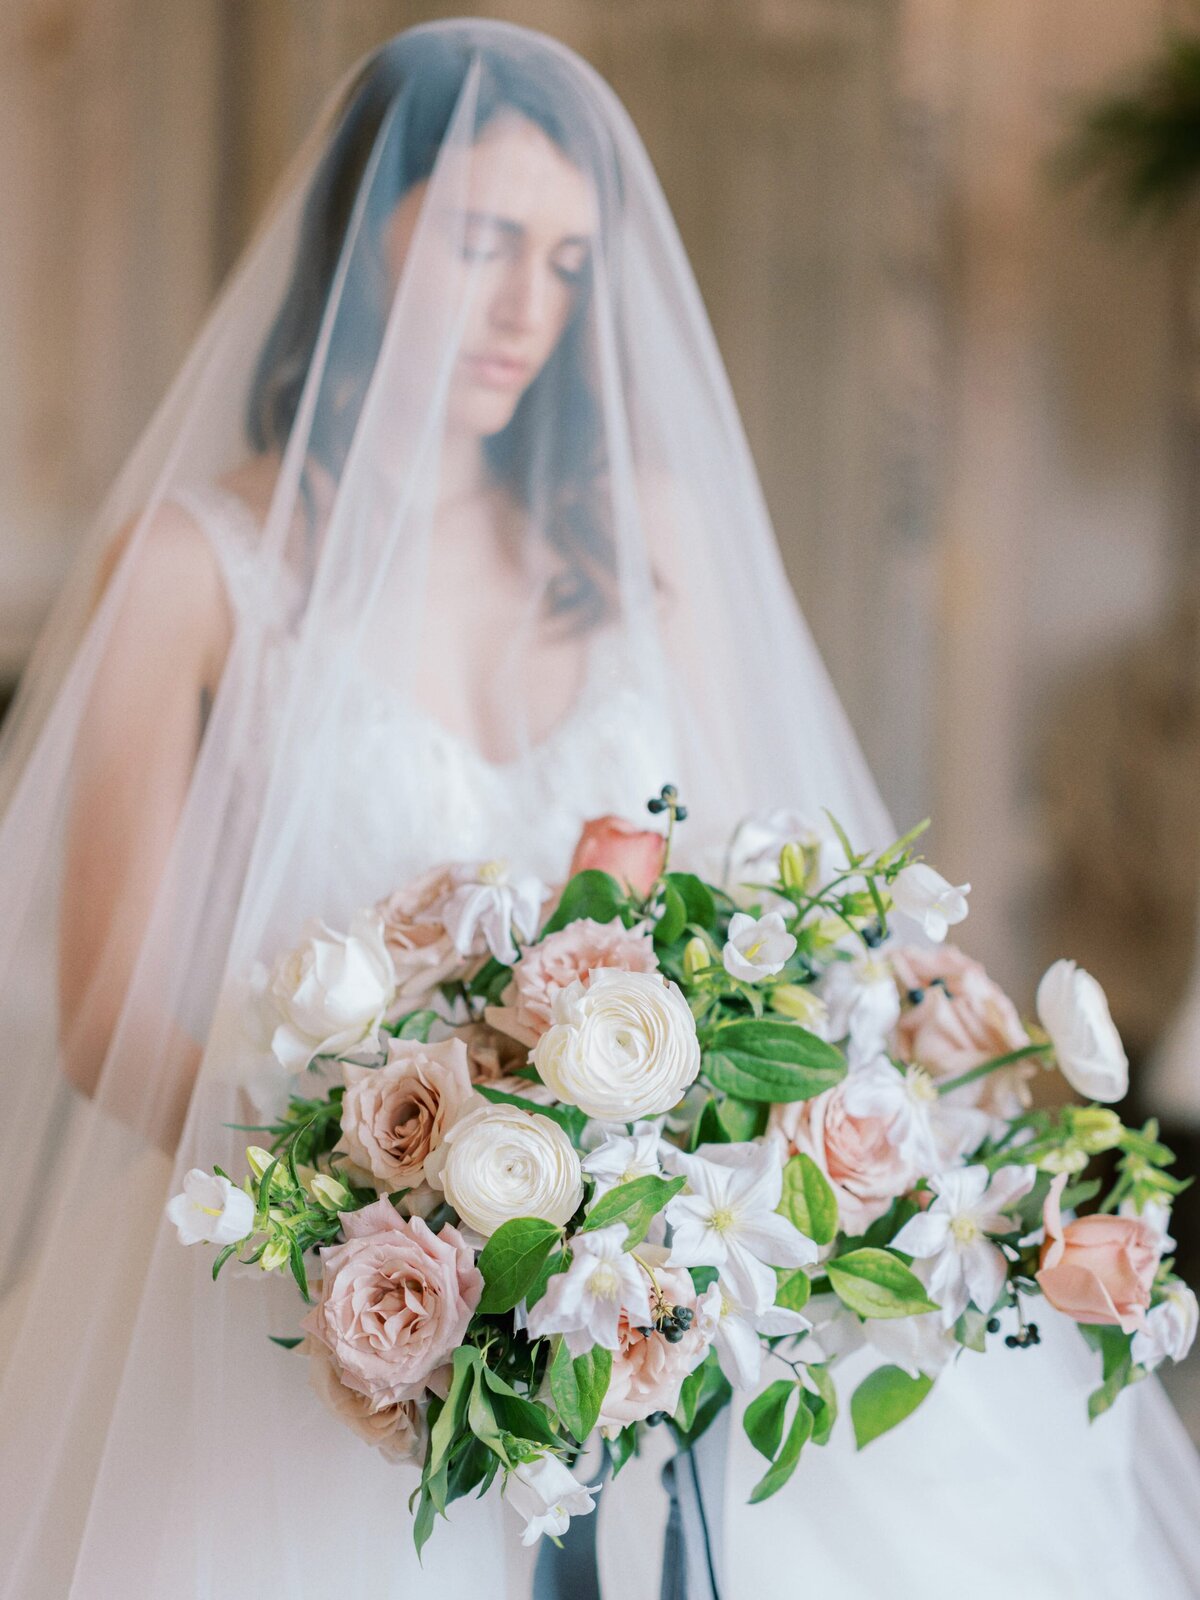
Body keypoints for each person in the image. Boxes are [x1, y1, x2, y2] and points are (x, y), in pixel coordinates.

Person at [0, 20, 1195, 1599]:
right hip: (313, 1298)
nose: (527, 310)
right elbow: (102, 1006)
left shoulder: (652, 539)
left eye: (567, 262)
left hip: (668, 1283)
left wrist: (686, 1191)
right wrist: (376, 1203)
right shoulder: (189, 569)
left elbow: (780, 903)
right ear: (369, 238)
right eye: (489, 242)